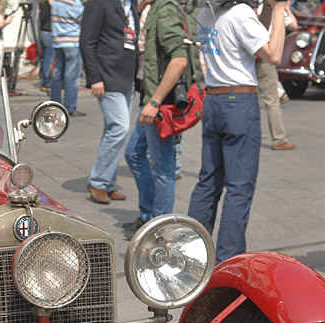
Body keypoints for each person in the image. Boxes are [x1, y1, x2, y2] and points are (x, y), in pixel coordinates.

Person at [187, 0, 289, 263]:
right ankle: (227, 258)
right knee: (239, 187)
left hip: (214, 99)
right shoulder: (241, 13)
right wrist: (278, 10)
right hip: (239, 100)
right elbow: (273, 54)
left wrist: (266, 9)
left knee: (208, 182)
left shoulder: (206, 14)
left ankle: (191, 251)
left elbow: (254, 37)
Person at [124, 0, 199, 231]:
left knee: (164, 170)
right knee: (134, 154)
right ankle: (149, 215)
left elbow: (179, 60)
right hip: (151, 101)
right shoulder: (153, 9)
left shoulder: (165, 9)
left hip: (159, 105)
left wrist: (155, 101)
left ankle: (159, 229)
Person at [80, 0, 140, 205]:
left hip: (126, 76)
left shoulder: (131, 4)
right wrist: (94, 77)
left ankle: (107, 182)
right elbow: (87, 41)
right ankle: (97, 181)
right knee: (119, 128)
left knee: (113, 130)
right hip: (107, 76)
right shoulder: (99, 3)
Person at [256, 1, 296, 151]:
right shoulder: (274, 6)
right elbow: (294, 26)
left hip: (248, 57)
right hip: (264, 57)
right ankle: (279, 138)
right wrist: (285, 8)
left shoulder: (245, 9)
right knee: (272, 101)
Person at [51, 0, 83, 115]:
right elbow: (84, 20)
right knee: (72, 77)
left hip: (58, 42)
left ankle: (54, 104)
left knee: (57, 75)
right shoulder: (74, 4)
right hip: (72, 42)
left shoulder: (55, 2)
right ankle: (70, 107)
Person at [38, 0, 53, 91]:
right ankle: (46, 82)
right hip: (48, 32)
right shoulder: (49, 4)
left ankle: (44, 78)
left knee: (45, 58)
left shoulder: (43, 4)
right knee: (48, 59)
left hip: (44, 32)